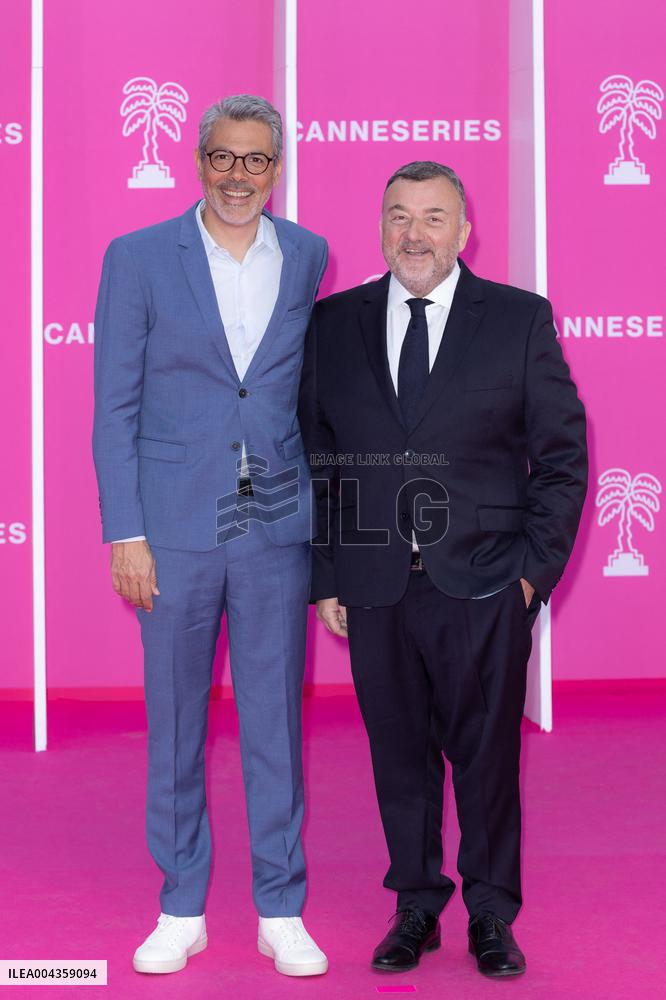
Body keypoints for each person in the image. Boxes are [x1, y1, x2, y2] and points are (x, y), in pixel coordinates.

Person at [299, 161, 587, 978]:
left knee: (488, 759)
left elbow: (563, 457)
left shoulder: (518, 320)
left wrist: (533, 574)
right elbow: (318, 461)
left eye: (433, 217)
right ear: (380, 228)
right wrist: (326, 573)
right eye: (398, 216)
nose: (414, 234)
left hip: (487, 583)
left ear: (465, 233)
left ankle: (492, 912)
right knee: (399, 757)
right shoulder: (334, 324)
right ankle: (416, 906)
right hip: (374, 584)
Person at [93, 95, 329, 978]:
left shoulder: (306, 253)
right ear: (199, 162)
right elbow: (113, 405)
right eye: (224, 158)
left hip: (274, 528)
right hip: (174, 529)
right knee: (178, 724)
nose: (240, 175)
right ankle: (180, 903)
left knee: (276, 724)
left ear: (276, 168)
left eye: (257, 160)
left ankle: (281, 907)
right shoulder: (139, 257)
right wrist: (127, 532)